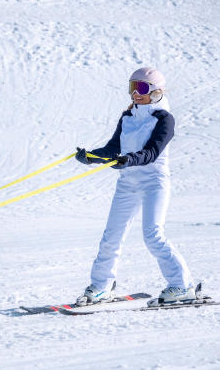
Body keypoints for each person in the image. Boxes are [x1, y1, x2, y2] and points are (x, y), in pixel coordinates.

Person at [75, 67, 194, 306]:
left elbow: (151, 152)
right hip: (128, 183)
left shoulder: (164, 119)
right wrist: (91, 157)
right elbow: (112, 149)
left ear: (156, 91)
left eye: (141, 88)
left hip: (154, 182)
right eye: (132, 87)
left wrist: (129, 159)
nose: (135, 93)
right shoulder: (127, 117)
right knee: (111, 237)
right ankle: (101, 287)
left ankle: (182, 286)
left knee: (153, 235)